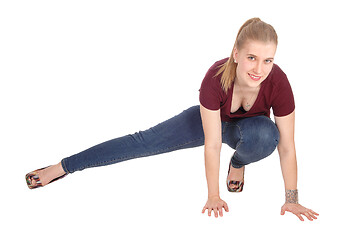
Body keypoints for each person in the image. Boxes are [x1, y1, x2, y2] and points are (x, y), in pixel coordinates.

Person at [25, 17, 319, 221]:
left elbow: (288, 147)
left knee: (266, 136)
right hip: (209, 123)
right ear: (236, 54)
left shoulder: (278, 83)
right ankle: (63, 166)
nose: (260, 68)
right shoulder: (216, 78)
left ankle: (239, 163)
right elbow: (213, 143)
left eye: (268, 60)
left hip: (250, 132)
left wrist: (291, 199)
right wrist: (213, 195)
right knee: (141, 142)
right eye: (252, 58)